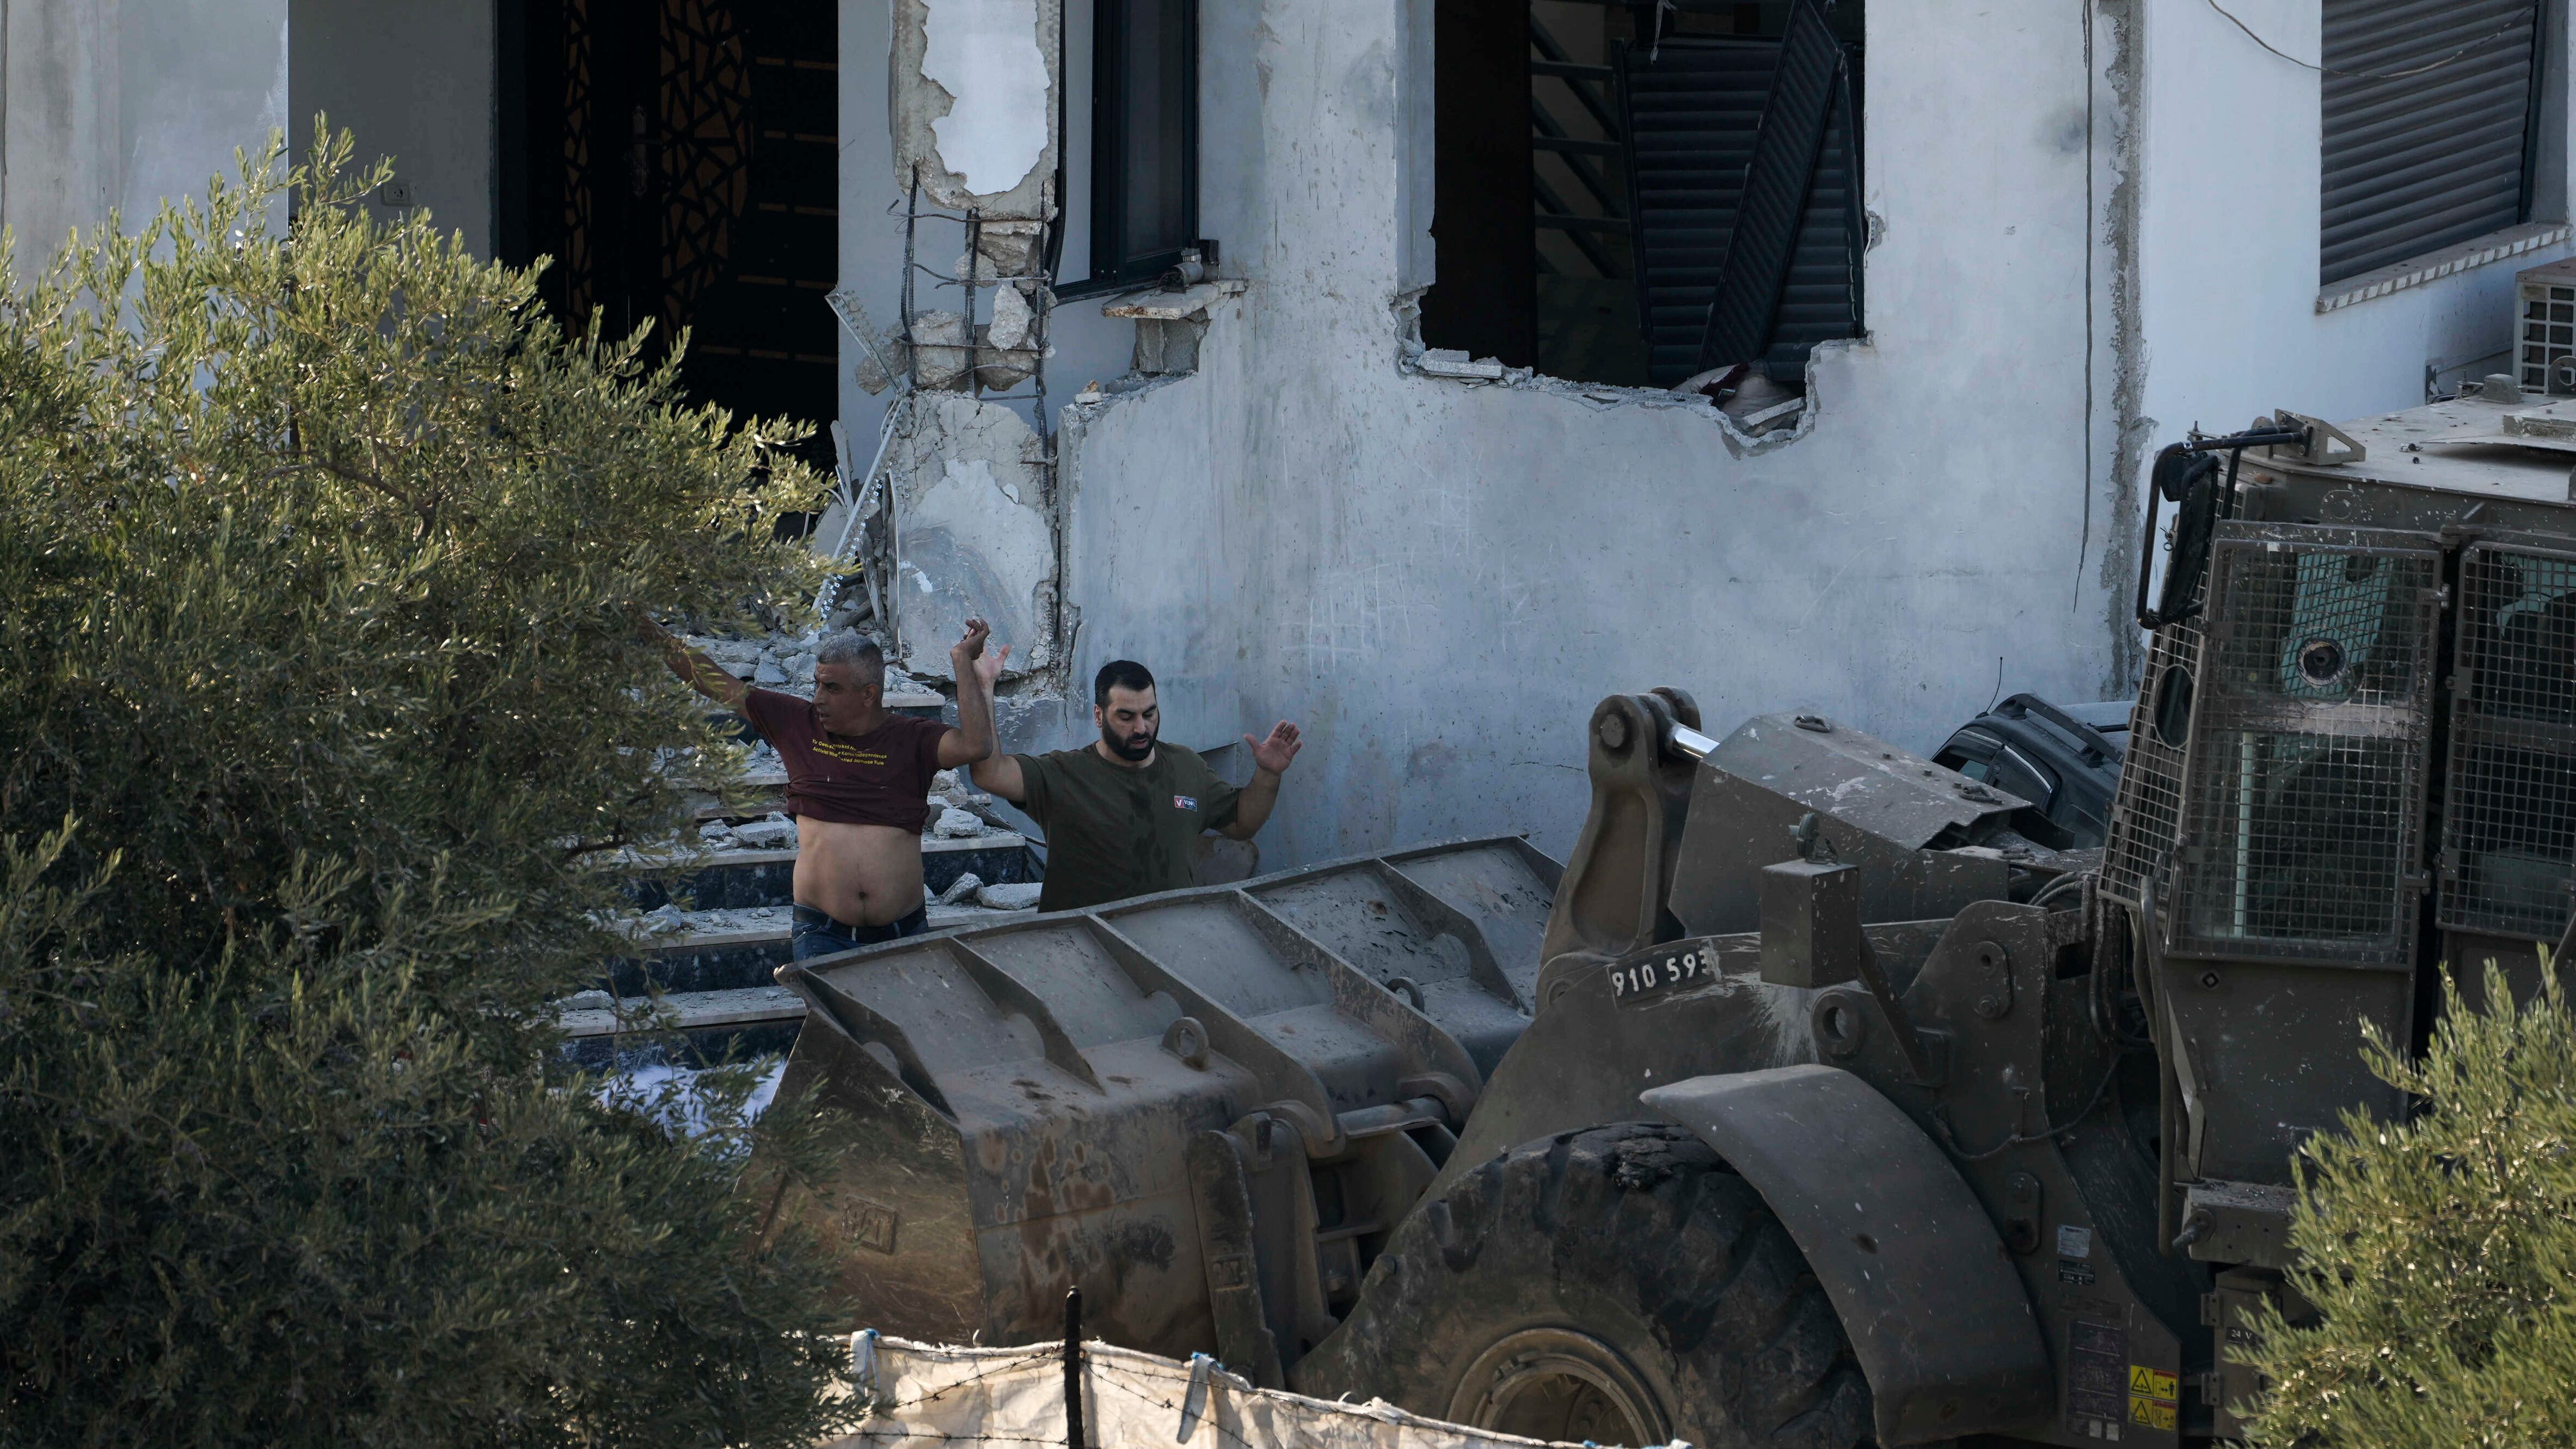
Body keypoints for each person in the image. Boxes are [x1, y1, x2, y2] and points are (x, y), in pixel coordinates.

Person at [641, 615, 1008, 958]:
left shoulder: (913, 738)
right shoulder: (796, 723)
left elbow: (976, 746)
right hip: (822, 935)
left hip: (903, 933)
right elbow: (717, 683)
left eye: (832, 688)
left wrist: (962, 661)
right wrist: (645, 629)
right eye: (817, 684)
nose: (818, 698)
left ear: (869, 694)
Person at [973, 659, 1302, 913]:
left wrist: (1268, 774)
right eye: (1126, 717)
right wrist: (983, 687)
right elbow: (991, 773)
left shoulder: (1187, 766)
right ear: (1099, 716)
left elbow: (1243, 823)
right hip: (1086, 952)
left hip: (1171, 945)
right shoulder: (1063, 774)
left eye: (1150, 713)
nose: (1142, 728)